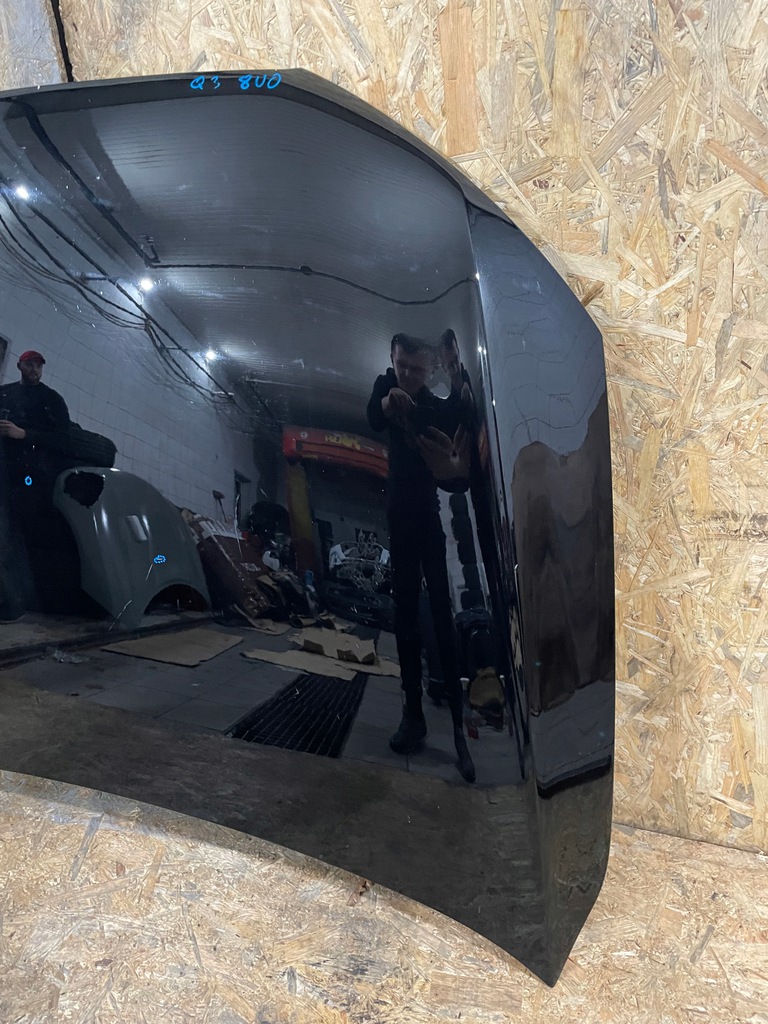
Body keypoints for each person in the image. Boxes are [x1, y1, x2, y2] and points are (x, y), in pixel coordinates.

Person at [367, 332, 475, 782]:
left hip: (428, 516)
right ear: (393, 361)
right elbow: (375, 414)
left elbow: (458, 420)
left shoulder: (433, 402)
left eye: (416, 369)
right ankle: (413, 715)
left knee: (443, 614)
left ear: (429, 370)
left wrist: (461, 384)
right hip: (400, 516)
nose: (407, 375)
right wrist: (390, 399)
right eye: (402, 366)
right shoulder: (386, 386)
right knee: (405, 615)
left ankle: (459, 730)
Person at [0, 350, 78, 615]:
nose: (34, 369)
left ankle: (18, 603)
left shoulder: (51, 399)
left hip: (33, 476)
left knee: (22, 535)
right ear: (19, 366)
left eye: (38, 366)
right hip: (5, 471)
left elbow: (64, 441)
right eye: (30, 364)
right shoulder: (5, 393)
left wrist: (23, 434)